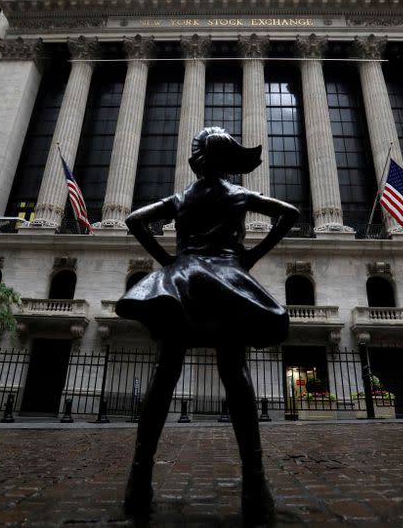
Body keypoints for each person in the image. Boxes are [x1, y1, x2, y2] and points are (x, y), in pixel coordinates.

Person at [117, 127, 299, 523]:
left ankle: (139, 477)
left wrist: (168, 261)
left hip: (181, 281)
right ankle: (254, 481)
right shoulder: (238, 195)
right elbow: (290, 214)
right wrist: (250, 257)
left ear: (197, 161)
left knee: (164, 374)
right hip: (227, 283)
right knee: (234, 372)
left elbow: (133, 220)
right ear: (228, 162)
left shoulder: (181, 197)